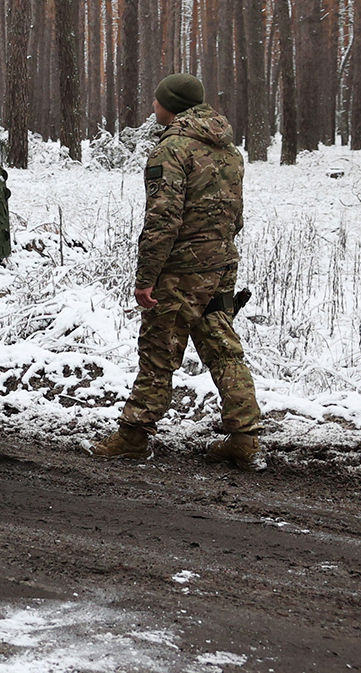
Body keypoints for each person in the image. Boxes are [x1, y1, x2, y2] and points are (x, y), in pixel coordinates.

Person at [90, 73, 264, 469]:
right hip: (220, 264)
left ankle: (133, 436)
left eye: (157, 101)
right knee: (222, 348)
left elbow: (162, 220)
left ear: (172, 106)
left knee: (158, 351)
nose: (153, 106)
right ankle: (245, 438)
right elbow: (235, 216)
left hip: (181, 270)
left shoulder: (172, 149)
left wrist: (146, 277)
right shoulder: (229, 150)